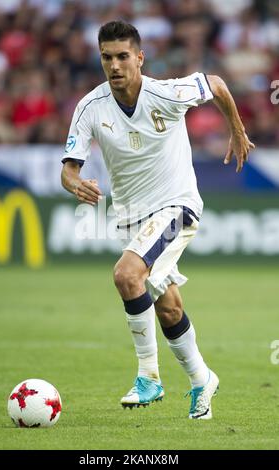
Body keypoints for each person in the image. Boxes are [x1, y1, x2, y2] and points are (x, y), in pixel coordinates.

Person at [61, 21, 255, 419]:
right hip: (131, 217)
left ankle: (148, 376)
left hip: (176, 207)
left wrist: (236, 129)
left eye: (122, 57)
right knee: (168, 308)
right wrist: (74, 181)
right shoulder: (89, 107)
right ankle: (202, 379)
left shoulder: (166, 93)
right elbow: (68, 168)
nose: (114, 65)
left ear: (139, 58)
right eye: (106, 57)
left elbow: (215, 82)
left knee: (126, 275)